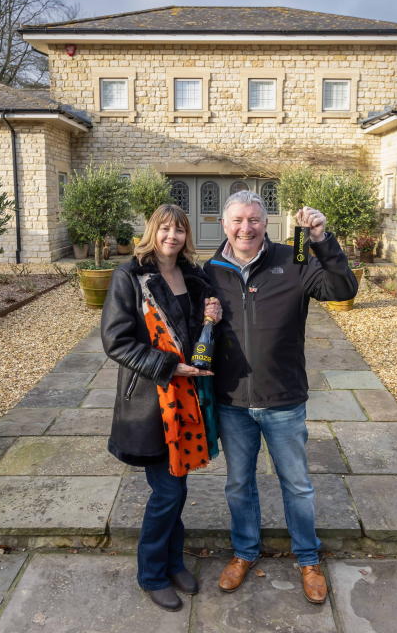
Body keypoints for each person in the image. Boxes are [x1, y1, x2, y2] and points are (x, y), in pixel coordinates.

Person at [203, 190, 357, 605]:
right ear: (224, 224)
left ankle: (308, 559)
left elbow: (342, 287)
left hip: (284, 398)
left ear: (265, 223)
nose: (245, 228)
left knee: (297, 485)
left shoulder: (293, 262)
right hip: (232, 400)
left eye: (253, 220)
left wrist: (322, 238)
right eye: (237, 220)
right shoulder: (211, 270)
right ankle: (244, 552)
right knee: (239, 484)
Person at [101, 204, 222, 612]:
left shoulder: (193, 274)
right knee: (168, 491)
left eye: (180, 230)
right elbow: (116, 342)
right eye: (165, 228)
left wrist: (213, 314)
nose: (172, 236)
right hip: (153, 401)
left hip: (188, 400)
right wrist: (171, 366)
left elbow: (201, 322)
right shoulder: (129, 276)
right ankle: (152, 573)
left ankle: (172, 562)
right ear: (153, 231)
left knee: (177, 487)